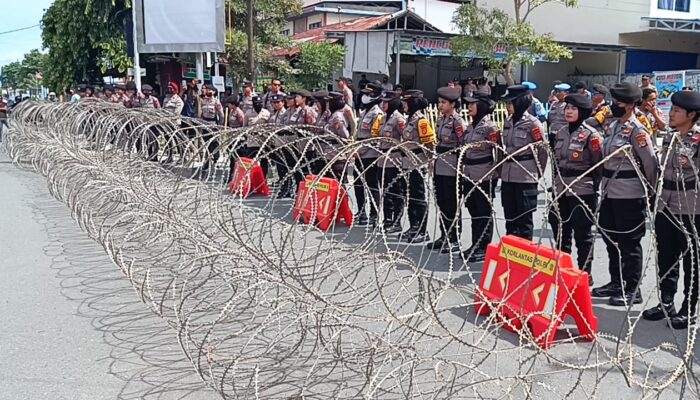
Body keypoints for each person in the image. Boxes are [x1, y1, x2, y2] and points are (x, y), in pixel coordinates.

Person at [591, 82, 658, 306]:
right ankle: (616, 281)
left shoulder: (638, 132)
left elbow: (650, 164)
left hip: (629, 194)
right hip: (610, 193)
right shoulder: (613, 127)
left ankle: (633, 288)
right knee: (611, 240)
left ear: (630, 105)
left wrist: (651, 192)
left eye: (618, 102)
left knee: (629, 243)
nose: (614, 106)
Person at [642, 90, 700, 328]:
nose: (671, 114)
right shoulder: (670, 137)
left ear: (692, 115)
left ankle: (689, 308)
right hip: (665, 205)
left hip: (691, 208)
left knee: (691, 261)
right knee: (666, 256)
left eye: (677, 111)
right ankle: (666, 302)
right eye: (672, 109)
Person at [548, 94, 603, 283]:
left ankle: (585, 272)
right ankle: (564, 267)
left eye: (573, 109)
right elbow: (556, 162)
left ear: (583, 112)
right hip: (561, 186)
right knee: (560, 228)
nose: (568, 111)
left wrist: (594, 188)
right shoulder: (560, 132)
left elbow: (598, 166)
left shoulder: (591, 135)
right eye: (567, 108)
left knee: (582, 233)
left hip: (582, 189)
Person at [500, 85, 548, 240]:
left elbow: (542, 151)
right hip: (508, 175)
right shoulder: (507, 122)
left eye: (510, 103)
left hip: (525, 175)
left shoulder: (533, 124)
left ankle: (524, 257)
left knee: (524, 218)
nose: (507, 106)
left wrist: (537, 172)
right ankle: (510, 254)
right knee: (510, 217)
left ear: (520, 103)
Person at [460, 91, 501, 262]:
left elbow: (499, 152)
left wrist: (495, 174)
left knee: (483, 211)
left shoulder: (490, 127)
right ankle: (475, 243)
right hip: (469, 173)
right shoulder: (471, 126)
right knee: (473, 209)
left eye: (472, 104)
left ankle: (483, 246)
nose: (469, 107)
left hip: (484, 174)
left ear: (482, 106)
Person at [427, 86, 467, 253]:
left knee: (451, 204)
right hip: (440, 166)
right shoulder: (442, 120)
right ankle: (445, 235)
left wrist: (460, 168)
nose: (440, 105)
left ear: (453, 104)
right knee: (442, 203)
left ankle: (454, 238)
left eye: (443, 103)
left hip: (452, 167)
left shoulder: (457, 122)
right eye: (439, 102)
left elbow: (463, 145)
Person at [399, 90, 435, 242]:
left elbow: (429, 144)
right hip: (407, 162)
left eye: (406, 102)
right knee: (410, 195)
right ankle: (413, 226)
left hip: (417, 162)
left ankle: (421, 229)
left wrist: (429, 162)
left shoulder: (421, 121)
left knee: (418, 196)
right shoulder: (410, 120)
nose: (404, 105)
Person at [375, 91, 407, 234]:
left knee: (396, 192)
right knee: (386, 191)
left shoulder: (399, 119)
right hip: (382, 159)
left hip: (394, 159)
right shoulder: (383, 118)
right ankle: (387, 219)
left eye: (387, 102)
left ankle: (396, 221)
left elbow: (405, 139)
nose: (384, 104)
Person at [354, 81, 384, 226]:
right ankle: (361, 212)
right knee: (358, 183)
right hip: (359, 152)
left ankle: (374, 213)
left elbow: (375, 138)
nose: (365, 96)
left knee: (372, 185)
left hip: (370, 154)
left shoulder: (377, 114)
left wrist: (360, 151)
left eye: (369, 94)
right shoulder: (365, 111)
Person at [322, 92, 351, 180]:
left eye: (329, 102)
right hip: (330, 152)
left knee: (337, 181)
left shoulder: (337, 116)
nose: (327, 104)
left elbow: (345, 135)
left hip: (337, 154)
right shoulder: (332, 115)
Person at [200, 84, 225, 171]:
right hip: (204, 125)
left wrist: (220, 126)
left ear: (214, 92)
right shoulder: (204, 101)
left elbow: (221, 115)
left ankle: (216, 160)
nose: (208, 91)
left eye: (210, 90)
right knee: (206, 145)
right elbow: (202, 114)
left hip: (213, 125)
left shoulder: (216, 102)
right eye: (207, 89)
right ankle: (207, 162)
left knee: (214, 144)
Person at [547, 83, 570, 151]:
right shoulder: (554, 104)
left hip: (564, 134)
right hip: (553, 133)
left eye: (560, 91)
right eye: (556, 91)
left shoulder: (569, 106)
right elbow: (550, 119)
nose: (557, 93)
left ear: (567, 93)